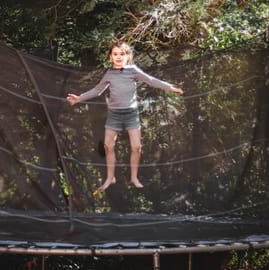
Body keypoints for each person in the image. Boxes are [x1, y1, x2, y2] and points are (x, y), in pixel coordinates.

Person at [67, 41, 183, 191]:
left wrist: (171, 88)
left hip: (131, 114)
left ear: (128, 56)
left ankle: (134, 178)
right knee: (108, 146)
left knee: (136, 147)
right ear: (110, 57)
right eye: (115, 54)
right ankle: (110, 178)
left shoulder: (133, 70)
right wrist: (79, 98)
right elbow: (97, 90)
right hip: (114, 114)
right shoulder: (109, 74)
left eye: (122, 54)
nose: (118, 57)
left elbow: (151, 80)